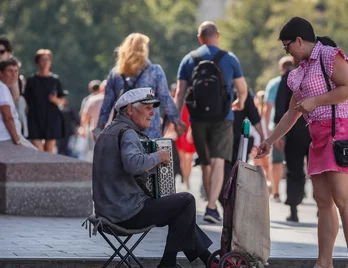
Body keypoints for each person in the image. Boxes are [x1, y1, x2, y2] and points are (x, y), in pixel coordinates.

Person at [256, 17, 348, 268]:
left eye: (287, 47)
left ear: (299, 40)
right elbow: (291, 114)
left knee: (343, 201)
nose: (287, 52)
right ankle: (323, 266)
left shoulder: (329, 56)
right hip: (318, 136)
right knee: (322, 202)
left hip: (340, 131)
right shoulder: (300, 70)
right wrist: (269, 140)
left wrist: (316, 100)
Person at [93, 87, 214, 268]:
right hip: (125, 213)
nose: (152, 113)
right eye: (147, 107)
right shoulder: (128, 133)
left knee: (179, 208)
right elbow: (133, 164)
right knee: (186, 201)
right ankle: (169, 264)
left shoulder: (109, 131)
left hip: (108, 212)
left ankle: (209, 261)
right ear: (130, 110)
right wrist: (158, 156)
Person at [175, 21, 247, 224]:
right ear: (218, 35)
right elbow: (242, 89)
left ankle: (211, 202)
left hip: (197, 119)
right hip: (223, 117)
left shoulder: (189, 59)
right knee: (218, 162)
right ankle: (212, 207)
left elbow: (180, 93)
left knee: (205, 163)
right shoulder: (229, 58)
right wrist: (239, 103)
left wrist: (176, 119)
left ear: (199, 38)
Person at [96, 33, 186, 139]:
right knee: (151, 155)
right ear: (144, 50)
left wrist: (99, 128)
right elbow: (165, 99)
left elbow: (107, 105)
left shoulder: (115, 73)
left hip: (122, 131)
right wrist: (177, 122)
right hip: (150, 130)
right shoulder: (155, 71)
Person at [274, 58, 312, 222]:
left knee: (294, 170)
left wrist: (279, 134)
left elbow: (280, 105)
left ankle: (294, 209)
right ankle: (321, 206)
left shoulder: (289, 77)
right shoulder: (316, 75)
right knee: (318, 170)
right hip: (314, 131)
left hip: (294, 131)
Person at [263, 56, 293, 203]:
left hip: (278, 126)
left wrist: (268, 130)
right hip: (297, 126)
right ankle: (297, 188)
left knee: (276, 160)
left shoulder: (274, 83)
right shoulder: (298, 81)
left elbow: (267, 108)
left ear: (281, 68)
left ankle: (275, 192)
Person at [24, 49, 65, 152]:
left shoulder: (55, 80)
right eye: (43, 59)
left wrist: (55, 99)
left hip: (51, 117)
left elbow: (62, 100)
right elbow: (26, 100)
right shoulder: (31, 80)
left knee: (49, 151)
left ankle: (49, 168)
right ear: (37, 61)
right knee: (38, 150)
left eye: (48, 59)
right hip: (35, 117)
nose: (46, 62)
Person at [0, 58, 35, 149]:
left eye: (16, 71)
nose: (14, 74)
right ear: (1, 73)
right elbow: (7, 117)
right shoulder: (2, 88)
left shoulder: (4, 88)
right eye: (10, 71)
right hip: (6, 138)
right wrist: (17, 140)